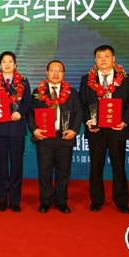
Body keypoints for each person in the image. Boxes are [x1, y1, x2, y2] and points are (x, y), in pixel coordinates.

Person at [78, 45, 129, 214]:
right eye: (99, 56)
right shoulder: (86, 79)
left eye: (106, 56)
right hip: (96, 129)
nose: (103, 59)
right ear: (95, 60)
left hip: (117, 128)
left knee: (119, 166)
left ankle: (121, 201)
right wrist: (88, 121)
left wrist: (124, 122)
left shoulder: (125, 78)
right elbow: (81, 104)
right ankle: (97, 200)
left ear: (113, 59)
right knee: (96, 167)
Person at [26, 60, 83, 214]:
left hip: (64, 136)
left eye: (59, 70)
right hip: (44, 137)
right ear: (47, 72)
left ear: (63, 74)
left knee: (63, 171)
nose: (56, 73)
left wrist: (74, 130)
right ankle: (45, 201)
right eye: (52, 70)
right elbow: (30, 113)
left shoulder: (71, 92)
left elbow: (79, 112)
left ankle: (61, 201)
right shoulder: (38, 92)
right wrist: (34, 129)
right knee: (44, 171)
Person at [0, 51, 32, 213]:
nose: (7, 64)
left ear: (15, 64)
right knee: (0, 165)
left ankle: (14, 199)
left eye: (10, 61)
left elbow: (28, 102)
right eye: (4, 61)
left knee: (16, 165)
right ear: (0, 65)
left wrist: (21, 113)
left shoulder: (23, 82)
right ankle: (1, 198)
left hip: (17, 128)